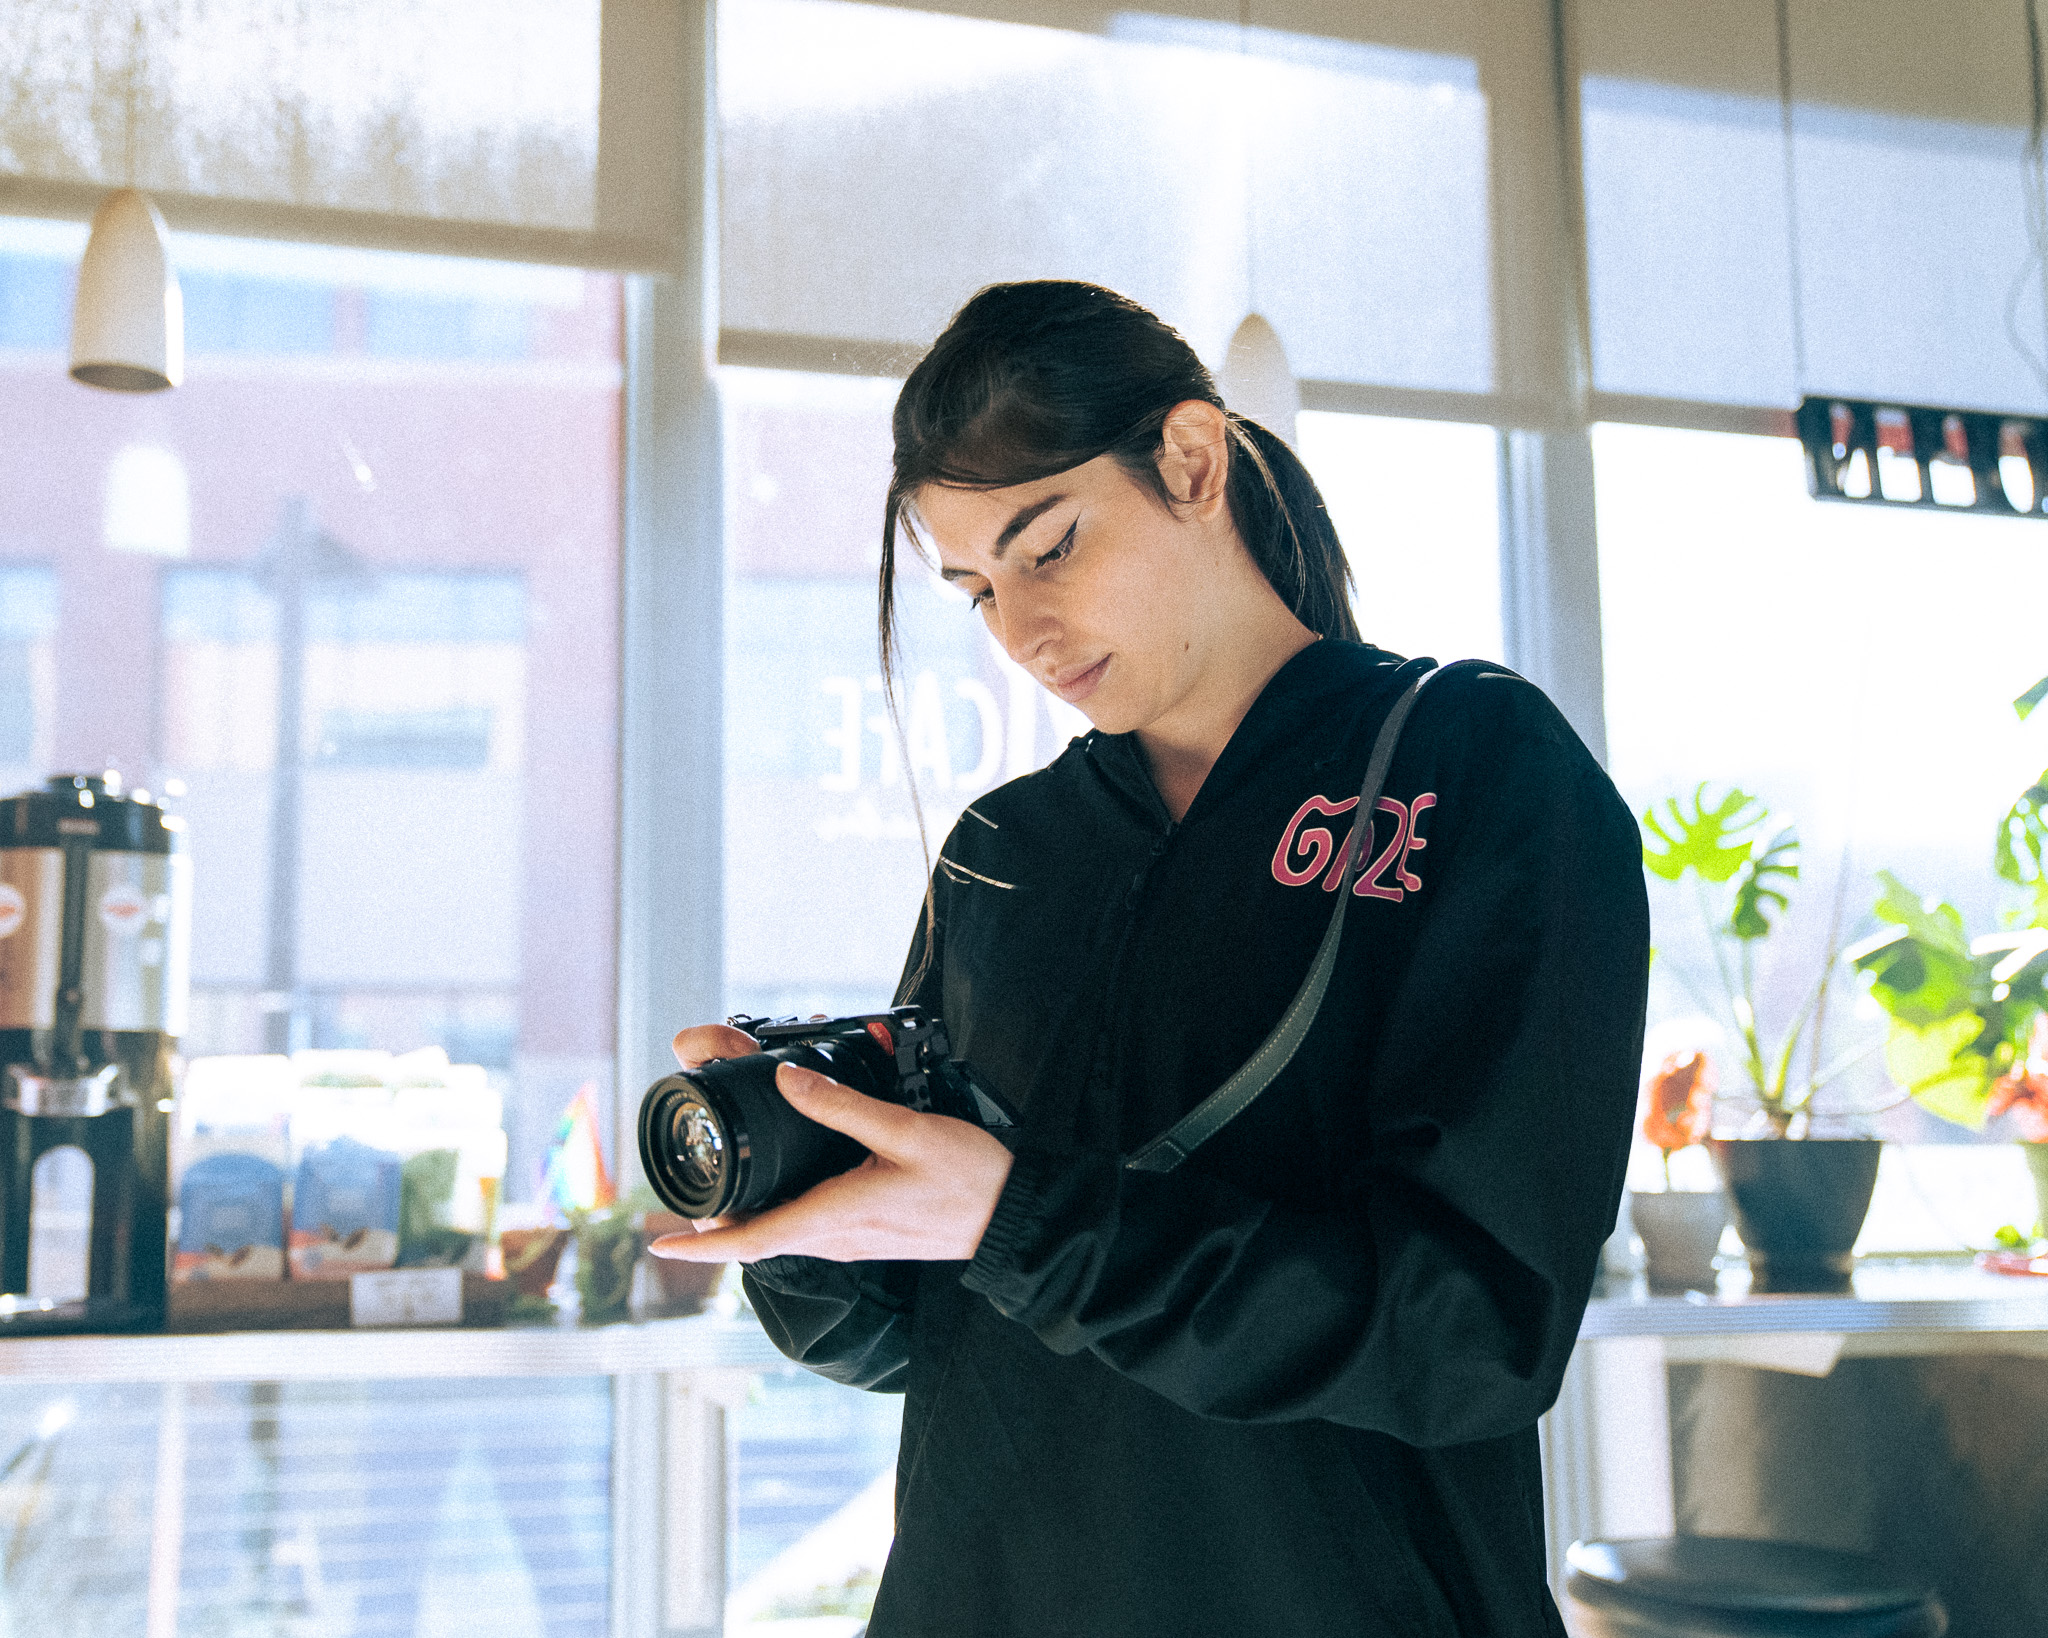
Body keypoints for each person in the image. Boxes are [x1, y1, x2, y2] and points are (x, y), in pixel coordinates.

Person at [654, 280, 1649, 1637]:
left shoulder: (1469, 767)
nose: (1021, 634)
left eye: (1050, 547)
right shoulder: (1006, 849)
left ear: (1189, 460)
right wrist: (804, 1210)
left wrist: (1021, 1218)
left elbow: (1474, 1334)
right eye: (976, 590)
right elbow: (936, 1337)